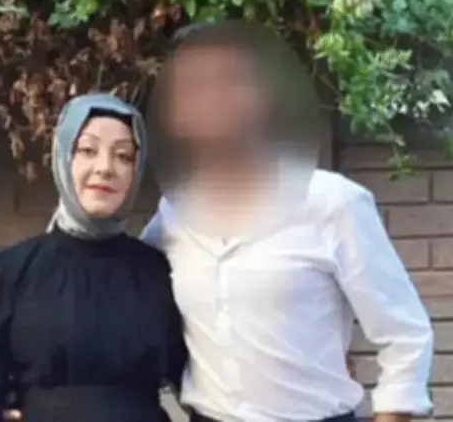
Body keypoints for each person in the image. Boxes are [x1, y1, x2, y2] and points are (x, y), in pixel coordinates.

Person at [141, 21, 434, 422]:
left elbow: (404, 336)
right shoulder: (173, 215)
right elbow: (128, 288)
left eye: (230, 80)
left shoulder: (332, 203)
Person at [0, 93, 188, 422]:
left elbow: (202, 386)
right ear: (63, 158)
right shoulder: (9, 272)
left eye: (123, 156)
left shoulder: (158, 271)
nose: (105, 167)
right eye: (88, 150)